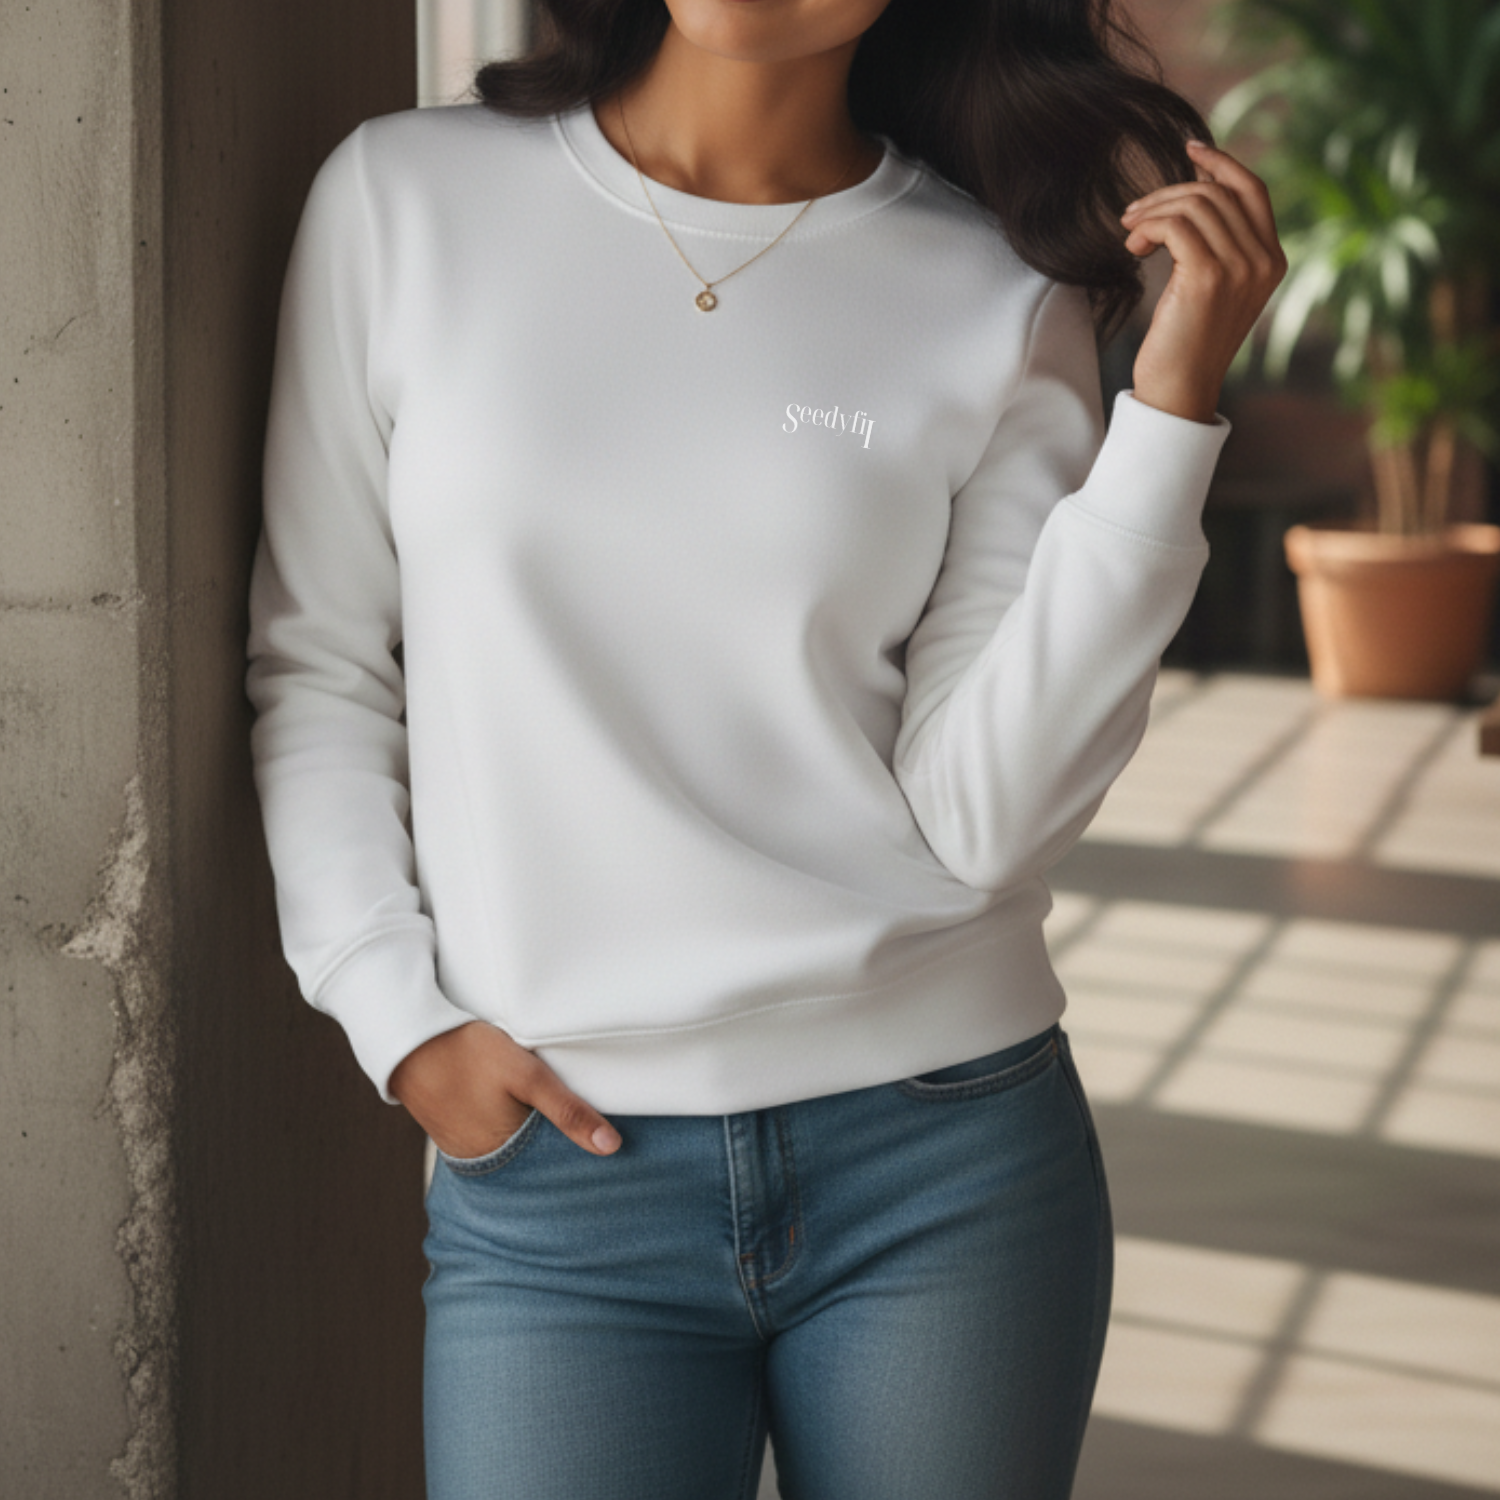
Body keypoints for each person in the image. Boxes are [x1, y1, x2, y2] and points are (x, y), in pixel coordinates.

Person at [245, 0, 1284, 1495]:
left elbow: (984, 818)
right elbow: (320, 658)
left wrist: (1170, 412)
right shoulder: (404, 199)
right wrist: (394, 1016)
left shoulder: (998, 286)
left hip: (945, 1164)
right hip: (558, 1179)